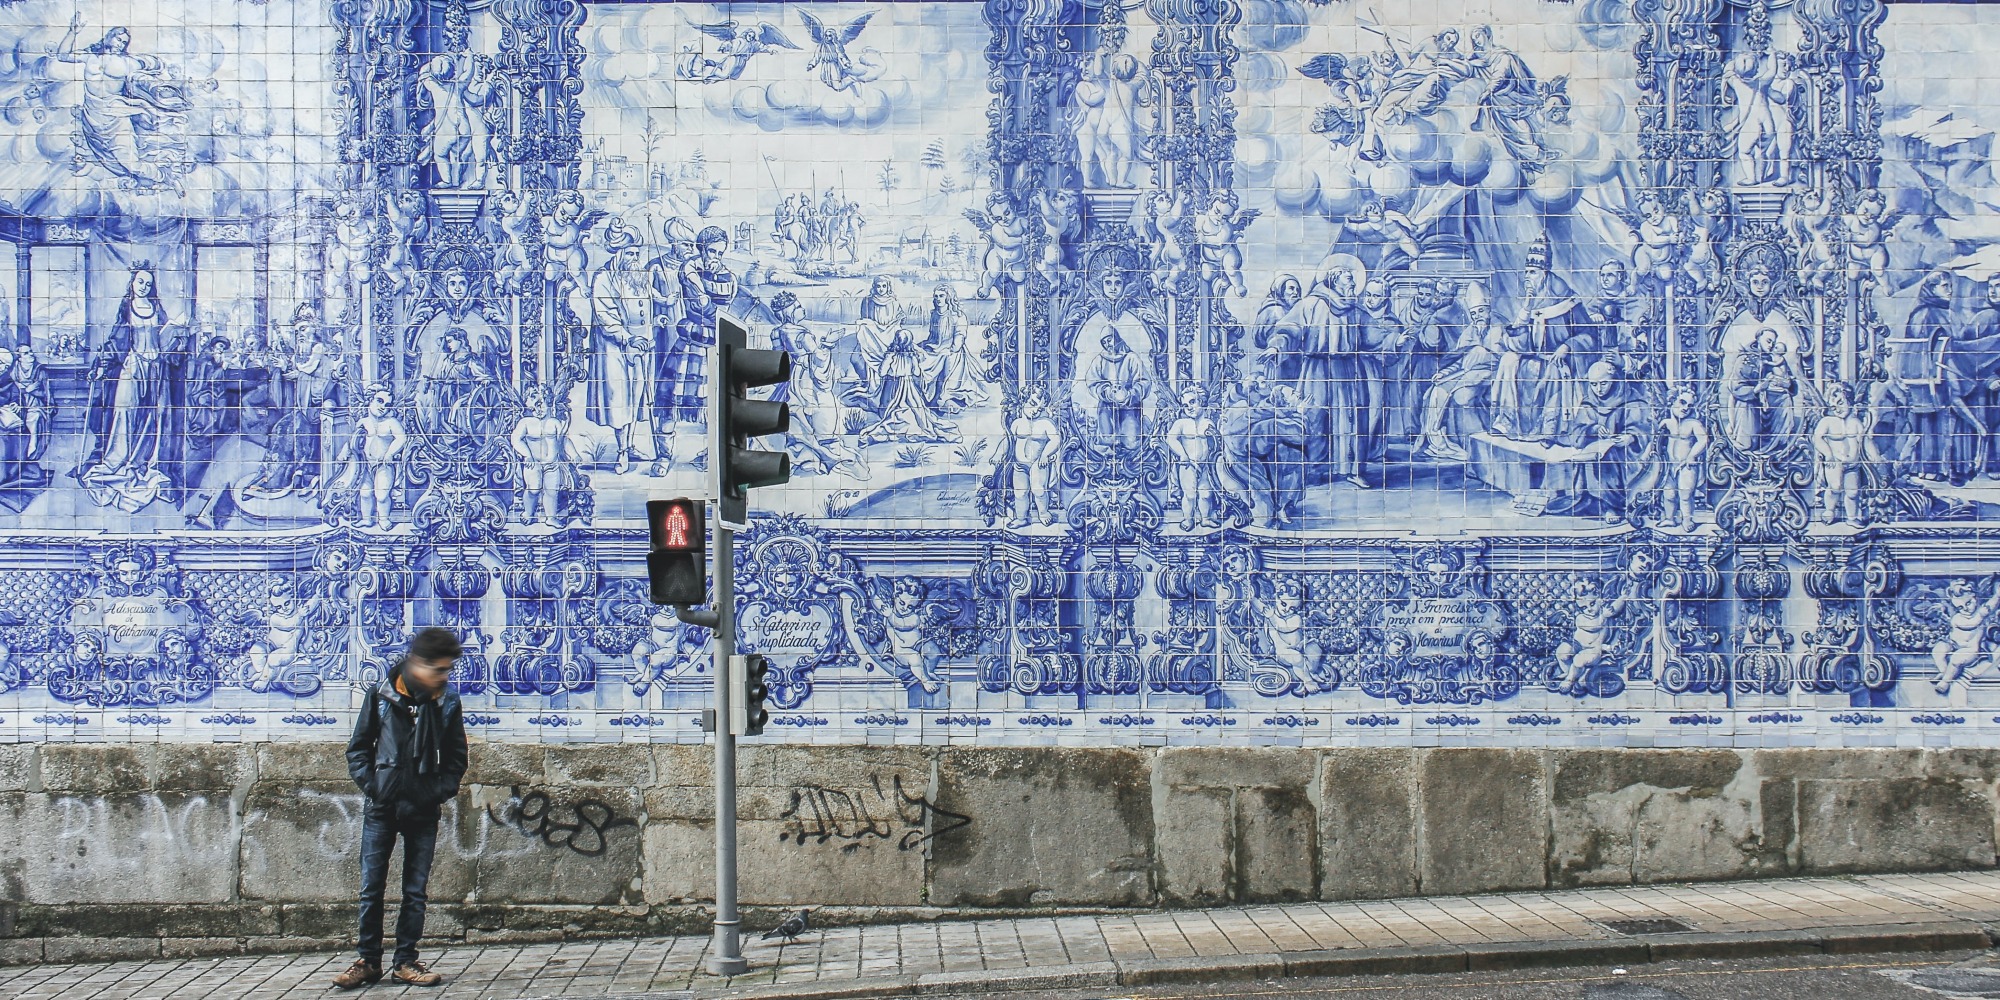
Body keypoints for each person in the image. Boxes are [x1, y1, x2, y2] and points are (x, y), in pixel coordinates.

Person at [336, 627, 468, 990]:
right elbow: (358, 749)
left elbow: (457, 757)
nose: (443, 677)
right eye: (438, 669)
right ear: (417, 664)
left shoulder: (447, 703)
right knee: (371, 888)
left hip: (423, 807)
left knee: (415, 891)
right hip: (382, 806)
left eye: (446, 670)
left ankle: (405, 961)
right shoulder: (380, 696)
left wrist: (438, 791)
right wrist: (375, 786)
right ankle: (368, 961)